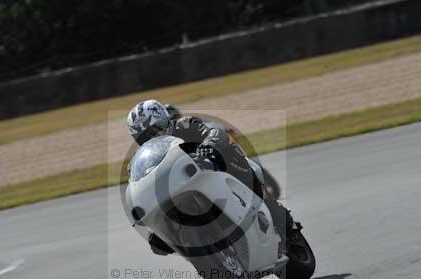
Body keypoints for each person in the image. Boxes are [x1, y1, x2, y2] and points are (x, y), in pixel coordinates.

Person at [127, 99, 297, 256]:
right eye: (144, 137)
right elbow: (137, 184)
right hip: (179, 187)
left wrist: (208, 146)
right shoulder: (141, 158)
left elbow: (214, 132)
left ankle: (278, 216)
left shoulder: (184, 125)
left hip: (214, 169)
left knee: (233, 156)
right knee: (160, 238)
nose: (152, 137)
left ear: (165, 120)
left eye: (155, 130)